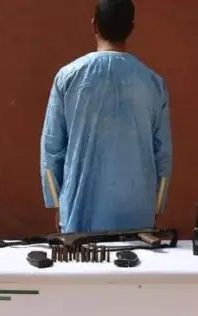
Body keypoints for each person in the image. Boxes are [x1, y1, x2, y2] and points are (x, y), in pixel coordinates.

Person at [40, 0, 173, 233]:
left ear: (94, 25)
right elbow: (163, 155)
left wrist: (57, 204)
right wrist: (156, 206)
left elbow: (51, 148)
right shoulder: (153, 83)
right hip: (137, 216)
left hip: (79, 216)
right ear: (131, 29)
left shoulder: (67, 77)